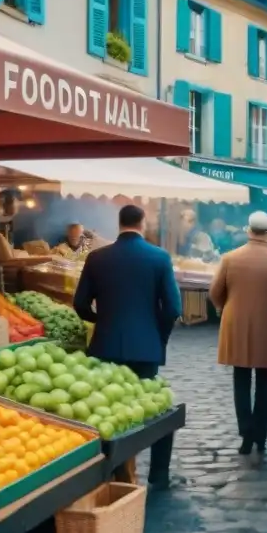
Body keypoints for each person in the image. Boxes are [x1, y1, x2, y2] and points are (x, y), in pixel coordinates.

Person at [73, 204, 182, 488]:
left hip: (105, 347)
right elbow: (173, 308)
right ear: (143, 223)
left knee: (108, 412)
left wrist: (101, 320)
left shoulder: (97, 258)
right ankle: (159, 475)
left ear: (119, 223)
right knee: (155, 411)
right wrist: (159, 337)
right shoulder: (159, 257)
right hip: (146, 348)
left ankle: (113, 474)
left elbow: (80, 304)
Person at [209, 212, 267, 458]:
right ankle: (261, 435)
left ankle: (246, 431)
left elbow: (215, 292)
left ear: (249, 231)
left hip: (236, 323)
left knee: (241, 378)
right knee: (266, 382)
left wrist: (224, 306)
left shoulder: (229, 258)